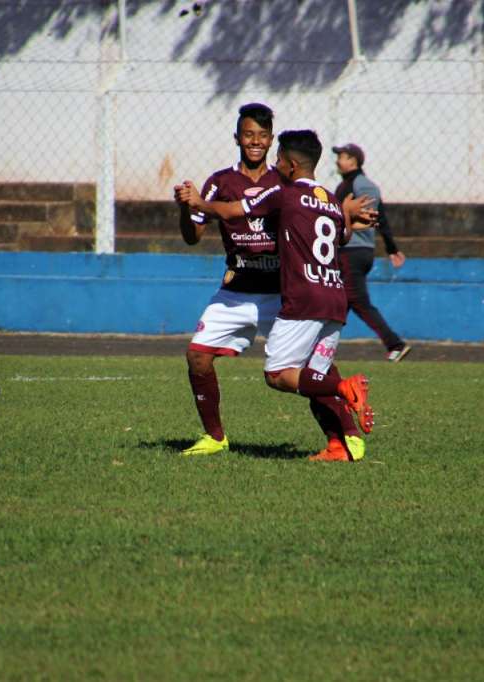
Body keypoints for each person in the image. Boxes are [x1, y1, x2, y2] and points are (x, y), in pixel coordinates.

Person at [176, 104, 364, 461]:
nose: (255, 142)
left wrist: (347, 215)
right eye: (249, 134)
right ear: (237, 137)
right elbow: (192, 235)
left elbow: (316, 216)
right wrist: (187, 208)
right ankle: (215, 437)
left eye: (262, 136)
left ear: (271, 140)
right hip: (236, 291)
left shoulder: (285, 182)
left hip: (281, 292)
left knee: (312, 368)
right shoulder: (220, 182)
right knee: (197, 357)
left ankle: (345, 436)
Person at [331, 143, 410, 363]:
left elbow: (376, 217)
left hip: (353, 251)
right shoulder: (346, 185)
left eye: (342, 156)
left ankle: (395, 344)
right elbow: (380, 217)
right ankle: (320, 347)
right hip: (351, 250)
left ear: (353, 161)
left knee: (357, 300)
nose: (338, 160)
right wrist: (391, 248)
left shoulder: (361, 185)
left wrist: (392, 248)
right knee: (340, 302)